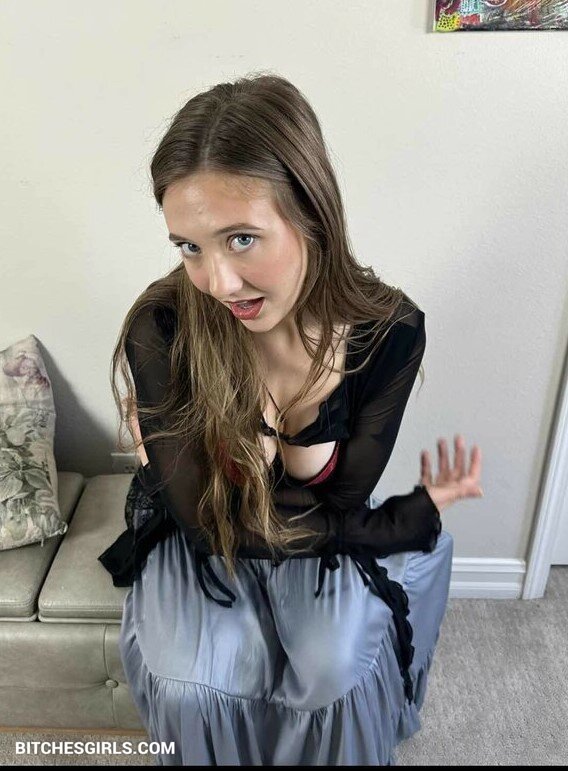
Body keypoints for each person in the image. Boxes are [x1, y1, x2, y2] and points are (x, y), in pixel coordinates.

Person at [98, 73, 483, 766]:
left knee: (332, 670)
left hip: (315, 532)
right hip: (206, 539)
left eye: (241, 238)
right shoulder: (163, 326)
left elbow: (342, 495)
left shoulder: (387, 331)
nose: (217, 282)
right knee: (192, 680)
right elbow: (201, 522)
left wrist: (301, 420)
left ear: (311, 213)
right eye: (189, 246)